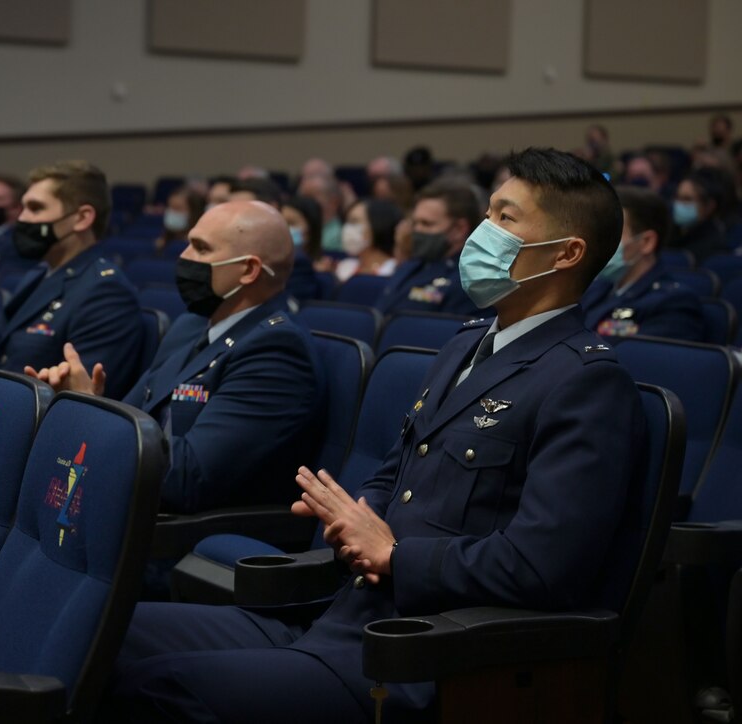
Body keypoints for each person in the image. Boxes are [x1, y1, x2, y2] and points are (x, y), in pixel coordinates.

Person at [107, 147, 647, 723]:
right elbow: (394, 474)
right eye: (488, 214)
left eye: (506, 219)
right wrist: (347, 519)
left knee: (162, 690)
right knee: (100, 631)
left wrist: (395, 555)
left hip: (409, 652)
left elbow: (544, 567)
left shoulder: (587, 382)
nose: (484, 233)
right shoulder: (467, 344)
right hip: (328, 612)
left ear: (566, 253)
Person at [26, 200, 323, 515]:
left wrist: (91, 412)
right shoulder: (191, 325)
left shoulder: (277, 351)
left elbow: (185, 480)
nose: (183, 257)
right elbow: (134, 417)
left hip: (183, 535)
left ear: (248, 270)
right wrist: (83, 401)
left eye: (201, 249)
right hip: (127, 503)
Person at [0, 161, 143, 399]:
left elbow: (83, 395)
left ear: (82, 218)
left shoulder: (105, 291)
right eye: (22, 208)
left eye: (35, 208)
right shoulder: (37, 275)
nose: (22, 218)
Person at [583, 186, 704, 342]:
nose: (597, 242)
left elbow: (636, 359)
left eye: (611, 233)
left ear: (646, 242)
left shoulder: (673, 303)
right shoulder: (594, 289)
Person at [375, 180, 479, 317]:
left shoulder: (469, 282)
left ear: (459, 229)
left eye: (426, 224)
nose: (417, 230)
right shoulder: (412, 265)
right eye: (415, 223)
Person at [671, 167, 734, 263]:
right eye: (677, 198)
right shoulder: (672, 233)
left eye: (687, 199)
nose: (679, 204)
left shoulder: (715, 245)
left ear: (709, 206)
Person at [334, 199, 402, 282]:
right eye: (347, 222)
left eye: (354, 221)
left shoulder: (395, 271)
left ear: (377, 225)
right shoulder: (345, 268)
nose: (346, 228)